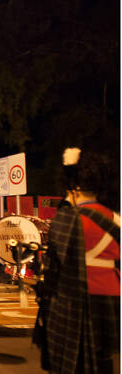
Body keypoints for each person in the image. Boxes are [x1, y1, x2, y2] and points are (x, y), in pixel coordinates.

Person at [36, 148, 120, 373]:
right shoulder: (116, 218)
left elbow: (52, 265)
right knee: (103, 357)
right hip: (111, 297)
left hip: (72, 299)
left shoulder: (67, 218)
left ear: (72, 187)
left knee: (72, 360)